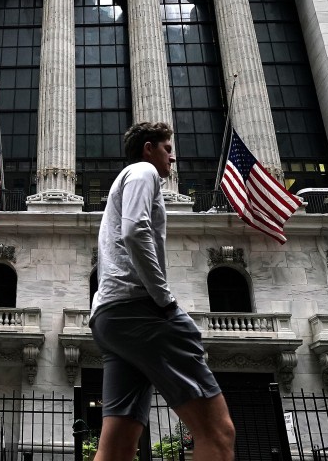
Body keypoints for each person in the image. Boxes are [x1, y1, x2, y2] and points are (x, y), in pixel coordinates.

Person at [90, 122, 235, 461]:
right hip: (142, 311)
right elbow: (135, 231)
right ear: (148, 148)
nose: (173, 156)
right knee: (218, 433)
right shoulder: (142, 171)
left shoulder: (124, 181)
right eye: (168, 148)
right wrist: (164, 299)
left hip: (110, 319)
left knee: (117, 448)